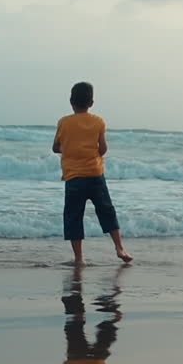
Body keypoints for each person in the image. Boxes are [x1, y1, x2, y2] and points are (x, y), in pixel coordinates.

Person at [52, 81, 134, 265]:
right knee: (107, 211)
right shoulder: (98, 121)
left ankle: (79, 258)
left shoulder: (64, 122)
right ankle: (119, 248)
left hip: (73, 178)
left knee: (73, 216)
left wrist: (69, 149)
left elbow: (55, 147)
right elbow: (103, 149)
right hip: (95, 175)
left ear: (71, 101)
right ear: (91, 103)